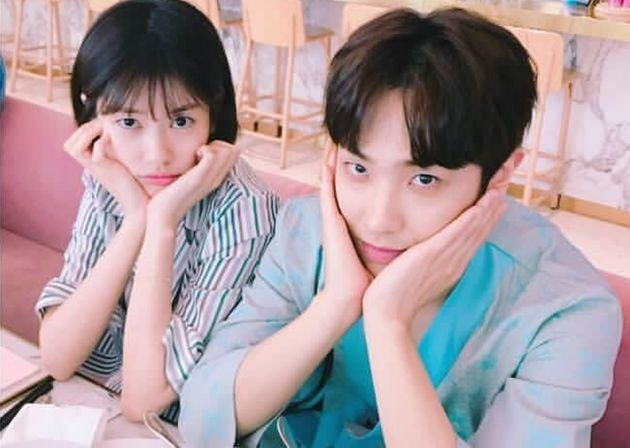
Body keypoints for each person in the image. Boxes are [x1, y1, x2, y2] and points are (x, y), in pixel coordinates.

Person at [179, 7, 622, 448]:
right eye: (358, 168)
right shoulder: (308, 231)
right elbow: (202, 419)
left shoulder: (565, 309)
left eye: (424, 180)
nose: (378, 221)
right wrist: (335, 304)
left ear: (501, 173)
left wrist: (387, 324)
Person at [36, 0, 278, 423]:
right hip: (95, 409)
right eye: (130, 123)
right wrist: (136, 219)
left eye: (181, 121)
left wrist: (162, 223)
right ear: (94, 114)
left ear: (213, 111)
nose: (157, 155)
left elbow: (144, 401)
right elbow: (57, 357)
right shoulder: (111, 174)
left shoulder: (244, 209)